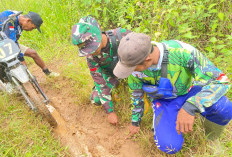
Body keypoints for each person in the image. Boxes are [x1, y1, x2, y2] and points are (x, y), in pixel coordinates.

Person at [113, 32, 232, 154]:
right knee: (169, 146)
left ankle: (211, 139)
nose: (130, 72)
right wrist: (135, 122)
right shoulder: (134, 63)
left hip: (191, 89)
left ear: (147, 60)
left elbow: (222, 82)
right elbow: (136, 93)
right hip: (165, 100)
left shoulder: (182, 52)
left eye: (132, 68)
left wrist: (191, 106)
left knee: (225, 109)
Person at [71, 16, 131, 125]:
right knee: (96, 99)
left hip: (133, 71)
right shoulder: (90, 57)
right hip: (112, 75)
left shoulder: (122, 35)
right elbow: (99, 81)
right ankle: (117, 84)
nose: (91, 53)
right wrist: (110, 111)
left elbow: (143, 55)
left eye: (92, 48)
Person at [0, 10, 59, 76]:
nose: (31, 30)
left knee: (33, 53)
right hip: (6, 44)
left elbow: (13, 42)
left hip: (9, 43)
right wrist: (21, 58)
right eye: (33, 28)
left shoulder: (20, 23)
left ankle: (48, 73)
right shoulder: (8, 18)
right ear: (28, 20)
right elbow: (11, 42)